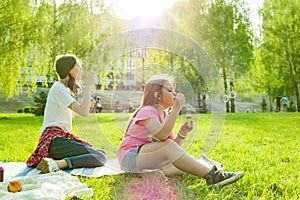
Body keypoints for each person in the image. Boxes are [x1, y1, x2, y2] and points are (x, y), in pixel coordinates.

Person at [117, 74, 244, 188]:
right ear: (157, 95)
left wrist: (182, 133)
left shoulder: (164, 116)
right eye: (170, 90)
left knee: (185, 161)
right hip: (129, 157)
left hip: (143, 158)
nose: (174, 93)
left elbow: (173, 150)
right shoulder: (148, 110)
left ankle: (153, 174)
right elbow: (162, 137)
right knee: (177, 154)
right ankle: (213, 176)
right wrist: (177, 108)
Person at [26, 54, 107, 173]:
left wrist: (86, 105)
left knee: (100, 153)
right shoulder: (58, 88)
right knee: (99, 157)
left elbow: (72, 114)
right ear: (70, 70)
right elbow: (84, 112)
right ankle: (58, 164)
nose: (80, 70)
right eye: (78, 67)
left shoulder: (61, 89)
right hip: (54, 141)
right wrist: (88, 85)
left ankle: (55, 162)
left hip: (59, 140)